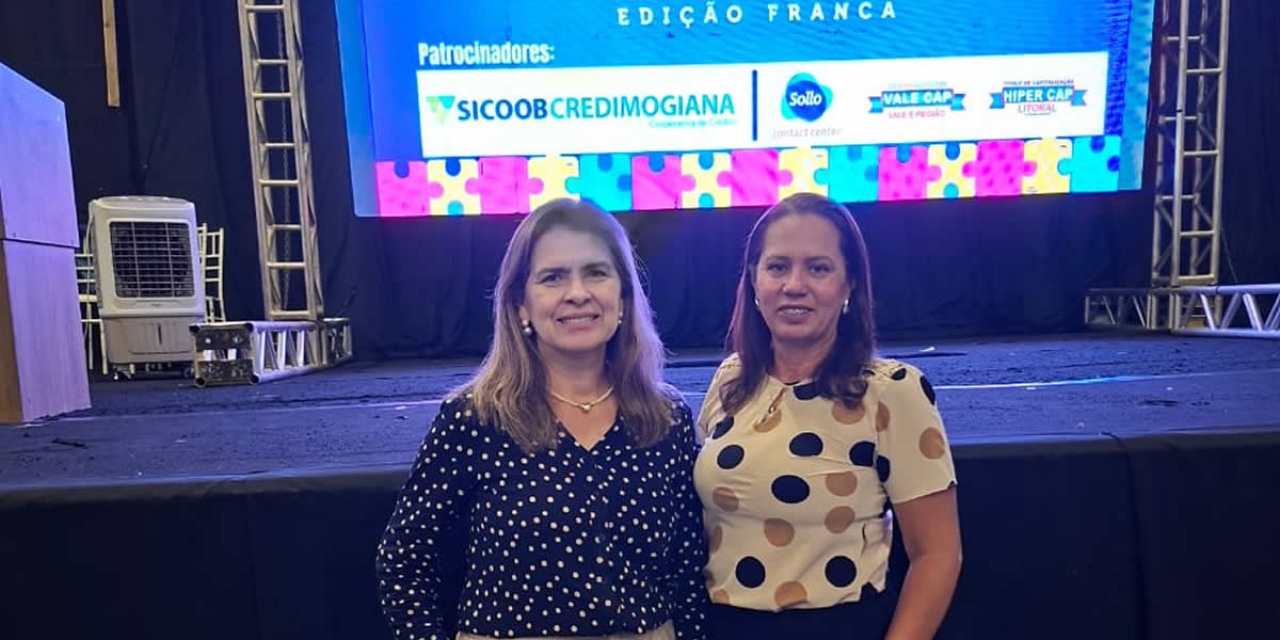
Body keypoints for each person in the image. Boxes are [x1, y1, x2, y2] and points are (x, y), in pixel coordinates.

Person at [375, 197, 709, 640]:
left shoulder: (666, 420)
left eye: (596, 273)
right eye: (553, 277)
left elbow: (688, 569)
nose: (578, 293)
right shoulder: (474, 419)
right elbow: (404, 559)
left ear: (624, 298)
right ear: (520, 305)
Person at [694, 193, 962, 639]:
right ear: (754, 280)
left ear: (849, 284)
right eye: (777, 267)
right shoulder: (732, 379)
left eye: (818, 268)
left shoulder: (891, 392)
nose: (794, 285)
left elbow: (937, 555)